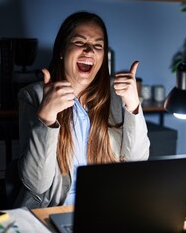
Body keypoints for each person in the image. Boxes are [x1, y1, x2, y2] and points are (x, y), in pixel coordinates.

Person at [15, 11, 150, 209]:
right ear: (62, 50)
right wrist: (47, 117)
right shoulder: (33, 96)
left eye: (98, 45)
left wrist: (133, 105)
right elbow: (37, 184)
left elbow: (137, 162)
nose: (89, 50)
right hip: (54, 210)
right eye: (79, 42)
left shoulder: (116, 97)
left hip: (106, 207)